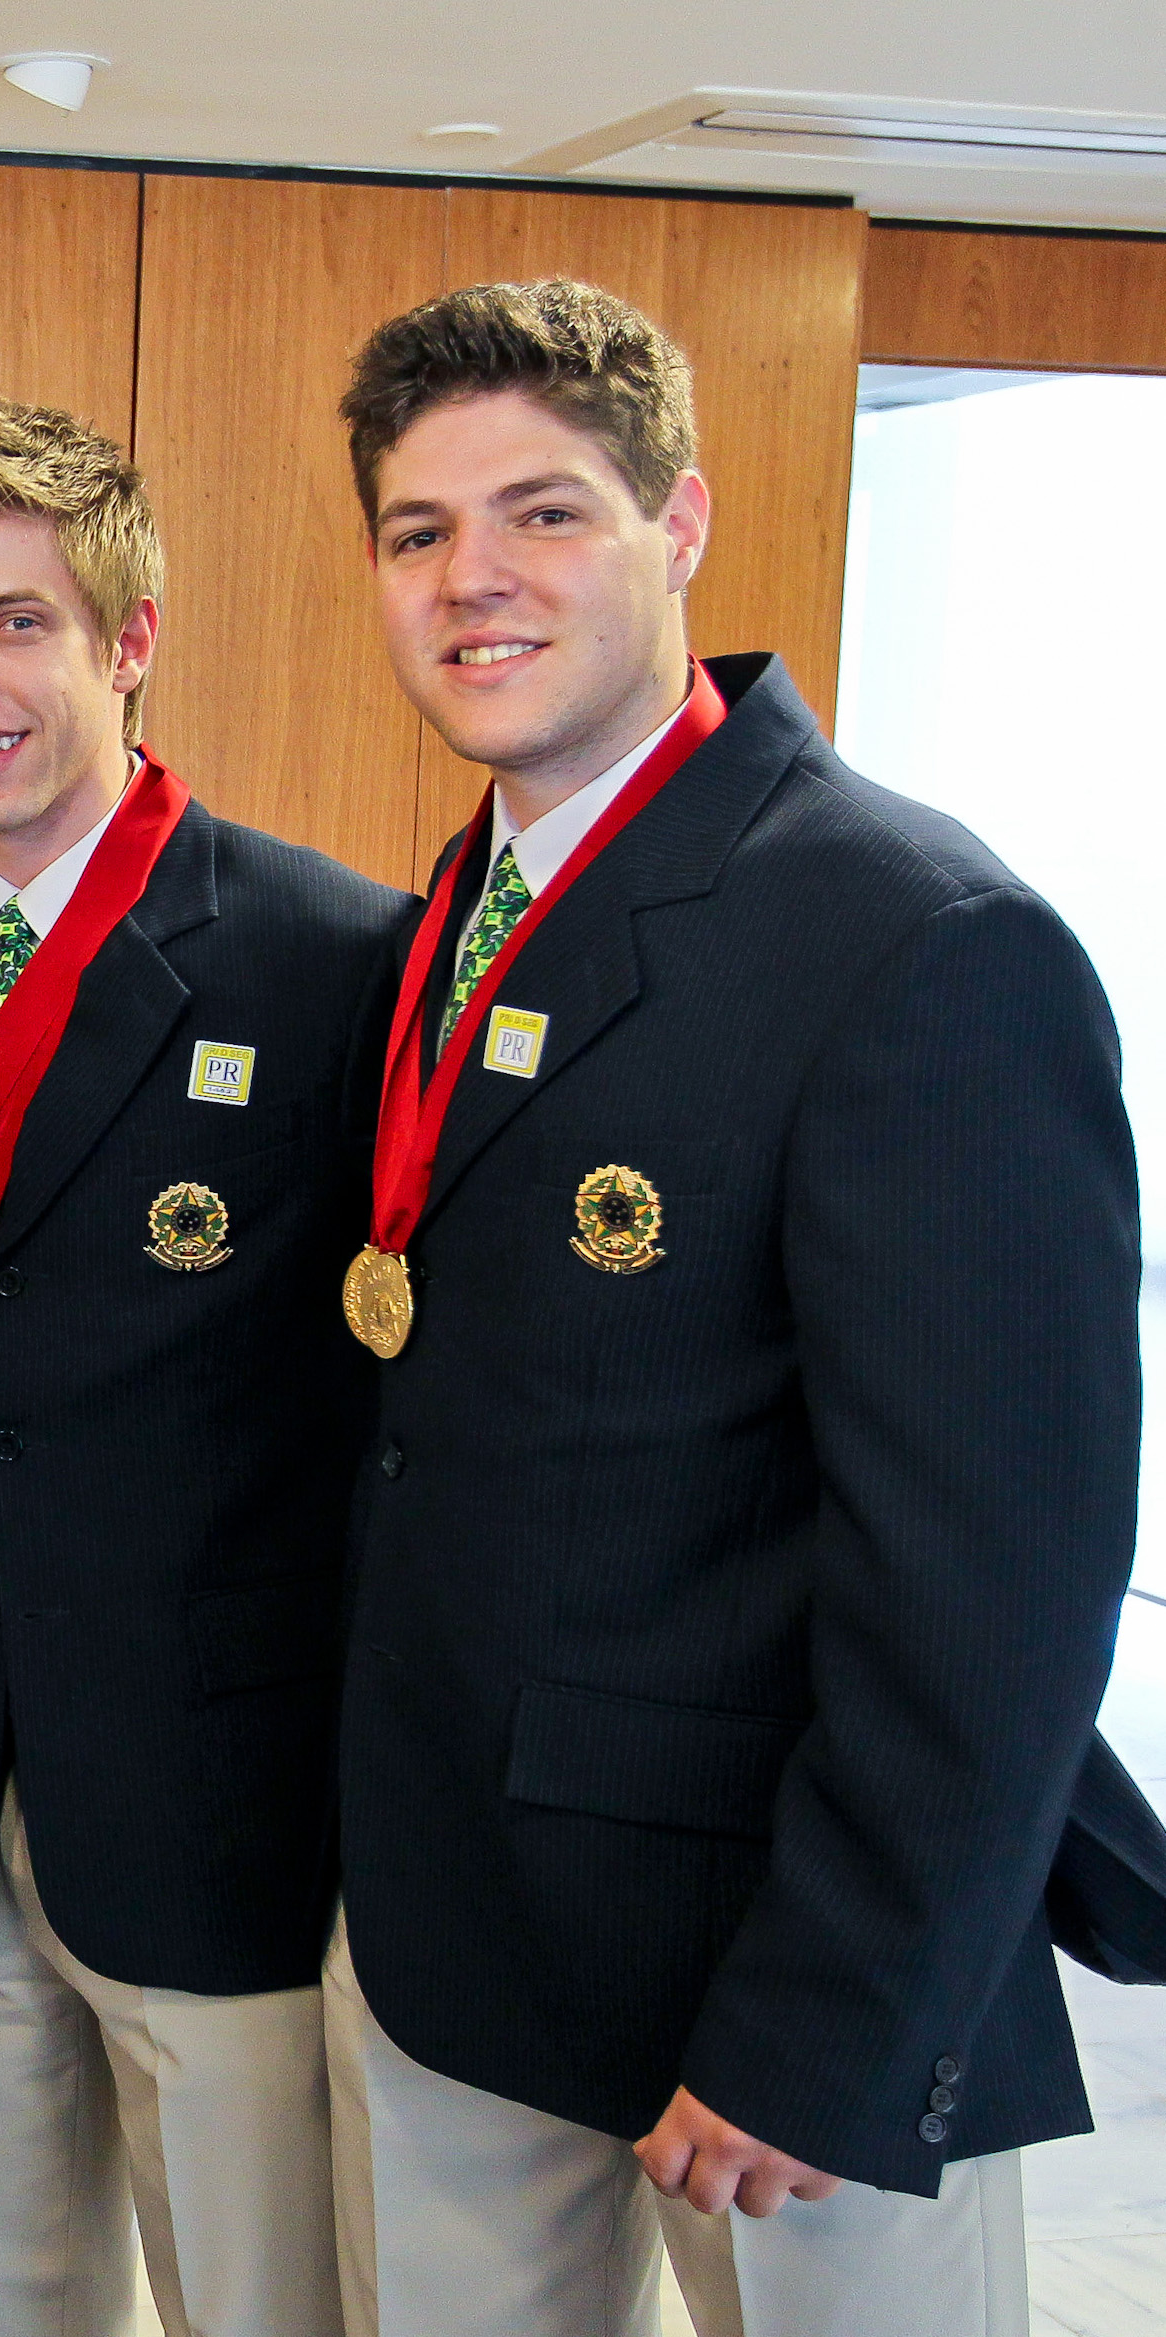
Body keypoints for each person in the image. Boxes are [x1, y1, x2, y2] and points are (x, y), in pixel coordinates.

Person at [321, 279, 1139, 2337]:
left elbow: (998, 1572)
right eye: (419, 532)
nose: (471, 578)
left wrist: (827, 2014)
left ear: (678, 520)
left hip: (769, 1989)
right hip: (457, 1924)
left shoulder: (914, 935)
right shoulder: (466, 905)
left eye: (544, 513)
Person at [0, 402, 407, 2336]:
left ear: (126, 639)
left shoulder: (326, 956)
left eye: (13, 622)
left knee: (257, 2302)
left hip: (220, 1795)